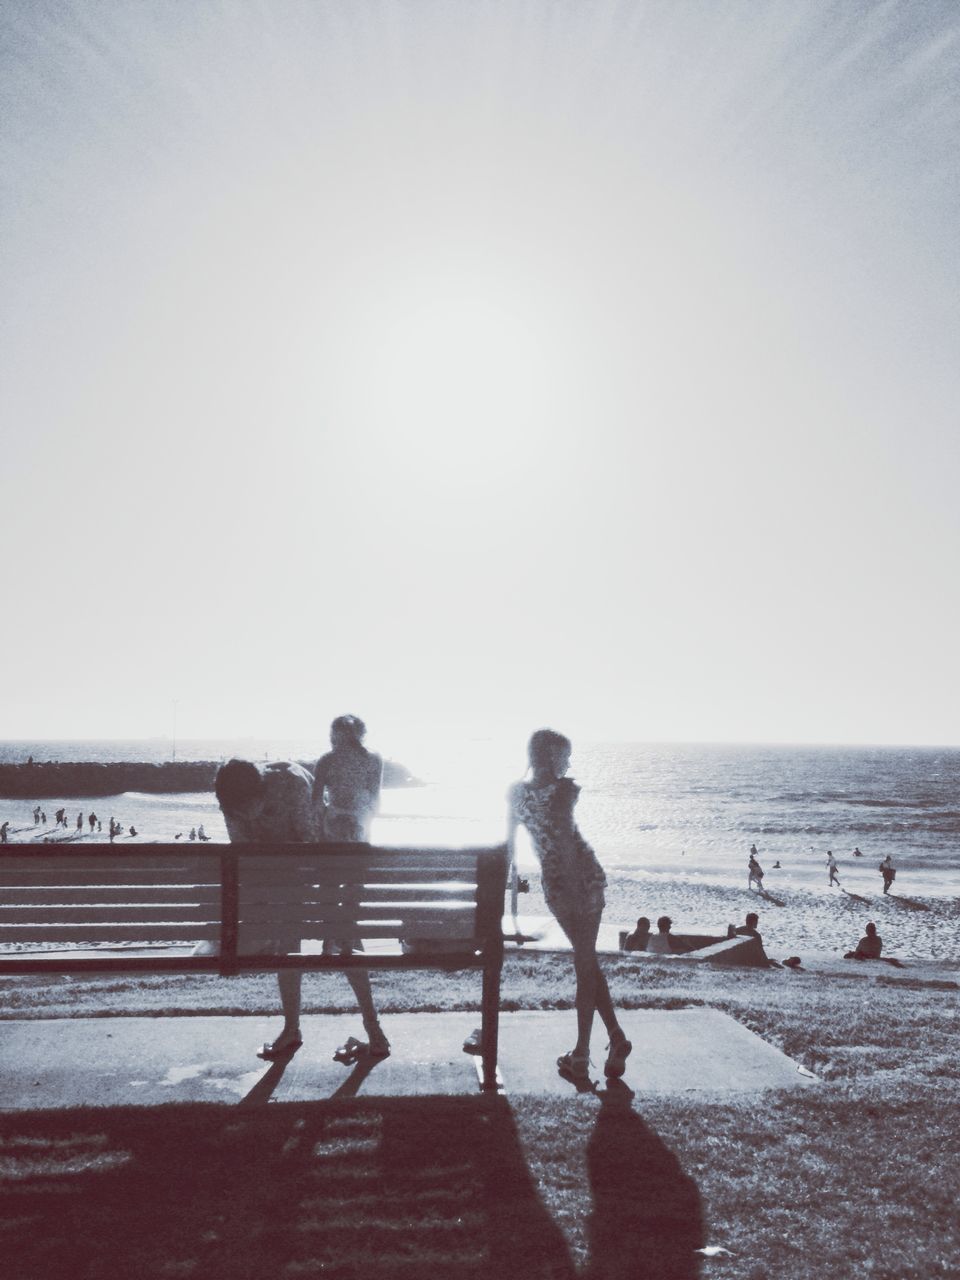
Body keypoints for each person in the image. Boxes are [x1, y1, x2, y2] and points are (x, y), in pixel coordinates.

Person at [215, 755, 388, 1062]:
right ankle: (293, 1029)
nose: (246, 817)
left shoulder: (291, 783)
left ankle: (373, 1031)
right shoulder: (231, 800)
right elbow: (244, 854)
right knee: (289, 940)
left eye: (248, 809)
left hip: (325, 867)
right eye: (237, 813)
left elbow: (313, 841)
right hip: (282, 876)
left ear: (261, 792)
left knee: (344, 940)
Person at [507, 729, 630, 1087]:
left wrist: (509, 893)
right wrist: (573, 888)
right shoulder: (563, 792)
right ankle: (607, 1041)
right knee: (586, 960)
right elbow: (562, 840)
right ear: (549, 757)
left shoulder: (515, 793)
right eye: (564, 756)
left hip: (562, 886)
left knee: (585, 960)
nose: (568, 763)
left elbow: (509, 847)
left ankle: (583, 1052)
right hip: (581, 881)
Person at [312, 714, 382, 841]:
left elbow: (317, 802)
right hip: (361, 818)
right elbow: (375, 796)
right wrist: (368, 815)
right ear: (362, 734)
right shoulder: (373, 758)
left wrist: (320, 824)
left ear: (335, 734)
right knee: (359, 858)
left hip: (334, 818)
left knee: (333, 858)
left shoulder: (327, 760)